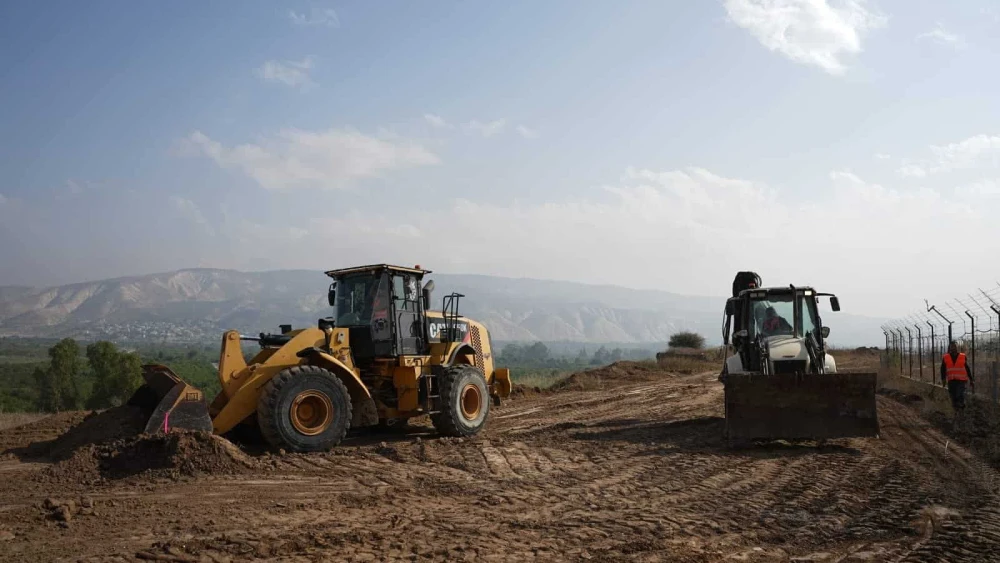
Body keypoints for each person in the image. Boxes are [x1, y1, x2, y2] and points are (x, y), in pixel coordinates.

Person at [940, 340, 973, 411]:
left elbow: (967, 368)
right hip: (951, 380)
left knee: (959, 395)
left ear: (957, 347)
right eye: (952, 346)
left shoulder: (962, 356)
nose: (953, 348)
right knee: (953, 397)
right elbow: (942, 369)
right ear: (949, 348)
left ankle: (962, 409)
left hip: (961, 380)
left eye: (955, 346)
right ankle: (957, 412)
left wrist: (971, 379)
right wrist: (943, 379)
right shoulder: (946, 357)